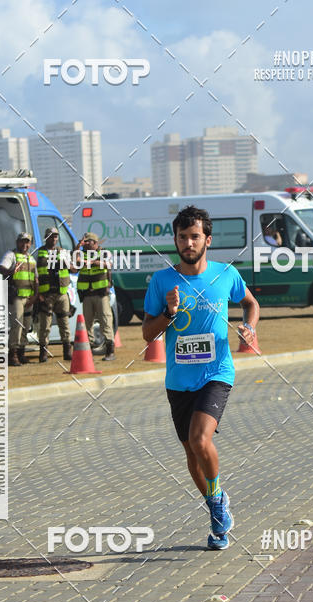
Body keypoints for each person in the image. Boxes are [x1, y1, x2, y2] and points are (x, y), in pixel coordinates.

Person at [142, 205, 259, 550]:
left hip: (216, 372)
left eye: (195, 236)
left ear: (207, 240)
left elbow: (250, 303)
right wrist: (168, 312)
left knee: (199, 439)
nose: (188, 243)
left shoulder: (226, 275)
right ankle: (216, 510)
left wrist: (249, 327)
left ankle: (218, 499)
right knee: (192, 454)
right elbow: (148, 334)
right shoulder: (162, 281)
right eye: (182, 237)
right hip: (179, 380)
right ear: (176, 240)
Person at [0, 231, 38, 366]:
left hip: (29, 298)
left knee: (26, 326)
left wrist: (35, 295)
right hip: (16, 297)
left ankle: (21, 353)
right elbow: (1, 268)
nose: (24, 244)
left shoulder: (31, 258)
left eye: (27, 242)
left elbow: (36, 279)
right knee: (17, 325)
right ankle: (13, 354)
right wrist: (10, 271)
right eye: (22, 241)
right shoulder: (11, 255)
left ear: (30, 244)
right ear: (17, 242)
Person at [76, 232, 115, 361]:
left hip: (101, 294)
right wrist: (77, 247)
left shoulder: (104, 253)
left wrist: (92, 262)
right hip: (87, 294)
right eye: (84, 242)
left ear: (95, 243)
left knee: (105, 321)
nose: (85, 244)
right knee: (87, 324)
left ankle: (110, 351)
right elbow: (75, 264)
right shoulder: (81, 253)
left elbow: (109, 264)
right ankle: (89, 351)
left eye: (88, 242)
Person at [36, 226, 72, 363]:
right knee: (45, 326)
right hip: (46, 295)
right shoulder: (40, 253)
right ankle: (43, 353)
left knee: (64, 323)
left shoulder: (63, 252)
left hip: (61, 293)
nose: (54, 238)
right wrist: (38, 294)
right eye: (51, 236)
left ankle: (67, 351)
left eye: (56, 236)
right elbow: (35, 274)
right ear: (46, 237)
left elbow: (72, 268)